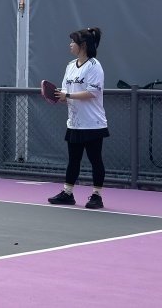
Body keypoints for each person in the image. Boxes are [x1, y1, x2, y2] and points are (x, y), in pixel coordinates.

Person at [48, 27, 108, 209]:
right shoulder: (70, 66)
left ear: (82, 45)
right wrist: (61, 97)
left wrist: (69, 96)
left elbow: (92, 92)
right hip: (74, 123)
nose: (70, 45)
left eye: (73, 42)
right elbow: (66, 91)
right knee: (73, 159)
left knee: (95, 159)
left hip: (93, 123)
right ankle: (67, 193)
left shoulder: (94, 66)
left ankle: (97, 196)